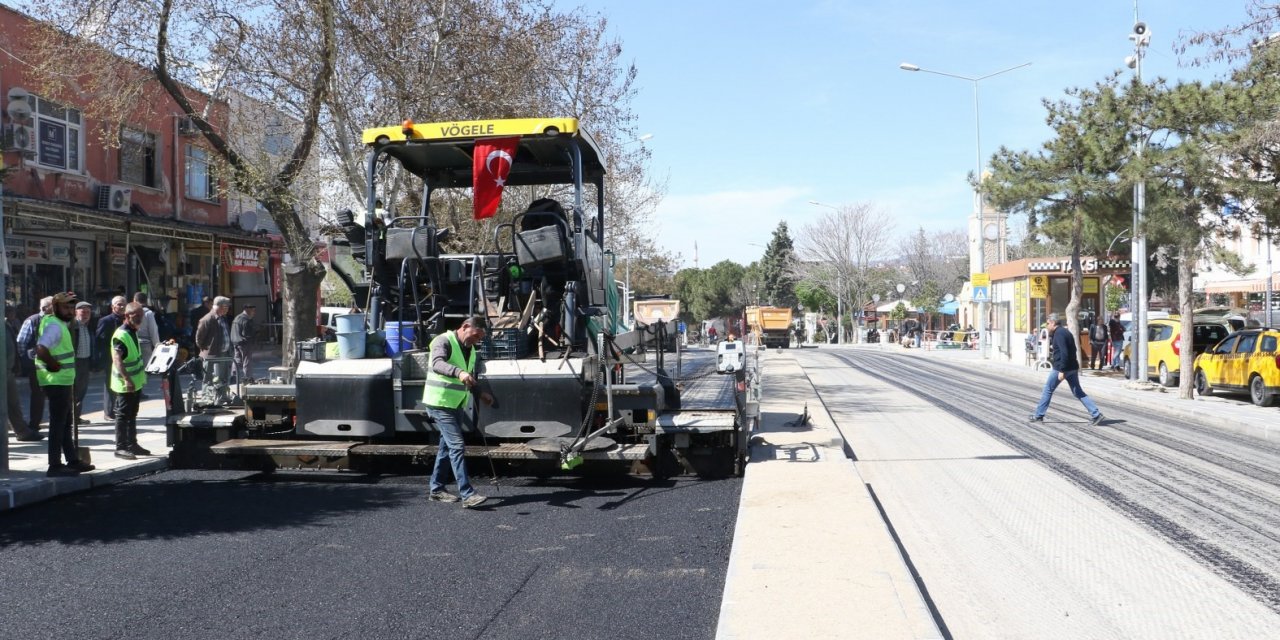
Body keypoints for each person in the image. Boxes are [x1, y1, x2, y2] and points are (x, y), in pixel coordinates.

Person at [423, 315, 494, 509]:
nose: (476, 340)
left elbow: (468, 377)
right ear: (465, 327)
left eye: (480, 338)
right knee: (457, 446)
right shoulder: (443, 341)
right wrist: (459, 373)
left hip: (455, 404)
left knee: (447, 447)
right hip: (439, 402)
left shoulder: (470, 350)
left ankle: (436, 490)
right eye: (475, 335)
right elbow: (438, 363)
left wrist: (480, 393)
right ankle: (467, 494)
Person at [36, 292, 95, 477]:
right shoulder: (55, 326)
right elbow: (41, 348)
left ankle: (72, 460)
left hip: (63, 380)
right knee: (58, 424)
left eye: (71, 308)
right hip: (56, 381)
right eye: (66, 308)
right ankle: (55, 465)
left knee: (65, 424)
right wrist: (53, 364)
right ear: (55, 307)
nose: (70, 312)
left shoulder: (59, 323)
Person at [1030, 313, 1104, 426]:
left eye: (1048, 324)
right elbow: (1073, 349)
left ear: (1053, 323)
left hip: (1062, 368)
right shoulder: (1065, 332)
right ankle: (1096, 414)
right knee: (1078, 391)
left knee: (1048, 389)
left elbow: (1064, 353)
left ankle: (1039, 415)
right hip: (1072, 367)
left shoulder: (1059, 334)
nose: (1047, 326)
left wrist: (1062, 371)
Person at [110, 302, 151, 460]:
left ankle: (132, 443)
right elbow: (117, 360)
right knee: (122, 415)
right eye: (137, 316)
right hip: (124, 383)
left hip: (135, 381)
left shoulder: (133, 331)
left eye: (141, 315)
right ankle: (120, 447)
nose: (140, 319)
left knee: (132, 414)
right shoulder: (121, 334)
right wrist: (127, 379)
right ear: (127, 316)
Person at [6, 306, 42, 441]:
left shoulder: (5, 324)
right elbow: (21, 343)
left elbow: (14, 345)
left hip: (7, 371)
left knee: (13, 403)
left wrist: (16, 363)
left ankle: (22, 431)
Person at [17, 297, 53, 430]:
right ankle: (34, 424)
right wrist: (28, 358)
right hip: (37, 364)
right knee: (38, 394)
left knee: (54, 393)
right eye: (53, 306)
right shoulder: (32, 320)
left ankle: (53, 421)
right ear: (44, 308)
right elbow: (21, 342)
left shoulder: (56, 320)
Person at [96, 296, 128, 420]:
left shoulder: (126, 320)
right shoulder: (105, 321)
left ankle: (120, 408)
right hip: (110, 357)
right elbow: (100, 340)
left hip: (125, 357)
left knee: (121, 383)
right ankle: (108, 412)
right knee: (110, 383)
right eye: (119, 304)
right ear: (112, 306)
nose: (121, 307)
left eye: (123, 304)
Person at [196, 296, 234, 387]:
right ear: (219, 307)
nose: (228, 309)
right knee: (208, 379)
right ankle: (207, 398)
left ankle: (222, 397)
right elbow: (199, 339)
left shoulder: (223, 318)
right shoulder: (207, 319)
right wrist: (207, 350)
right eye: (226, 307)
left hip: (224, 354)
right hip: (211, 355)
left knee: (223, 378)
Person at [72, 301, 96, 424]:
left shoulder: (88, 326)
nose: (86, 314)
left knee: (81, 391)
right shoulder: (72, 326)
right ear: (76, 312)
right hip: (75, 362)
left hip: (85, 362)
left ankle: (76, 417)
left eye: (88, 312)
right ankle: (71, 418)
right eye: (83, 311)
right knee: (73, 391)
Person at [133, 292, 161, 369]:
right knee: (145, 369)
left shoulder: (130, 312)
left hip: (132, 342)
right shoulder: (148, 313)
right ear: (145, 301)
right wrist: (157, 345)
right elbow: (153, 330)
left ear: (134, 300)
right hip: (145, 344)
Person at [230, 303, 257, 384]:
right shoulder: (246, 320)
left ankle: (234, 376)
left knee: (237, 360)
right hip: (244, 343)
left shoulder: (237, 318)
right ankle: (248, 378)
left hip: (235, 342)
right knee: (247, 361)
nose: (254, 313)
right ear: (247, 310)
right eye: (253, 311)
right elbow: (247, 334)